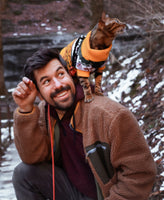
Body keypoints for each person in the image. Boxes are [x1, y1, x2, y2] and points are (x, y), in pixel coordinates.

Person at [11, 48, 156, 200]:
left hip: (107, 196)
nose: (58, 85)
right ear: (39, 94)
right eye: (46, 82)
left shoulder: (111, 115)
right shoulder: (45, 113)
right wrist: (26, 110)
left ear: (70, 75)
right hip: (72, 191)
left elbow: (139, 173)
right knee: (24, 174)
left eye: (60, 74)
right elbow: (32, 158)